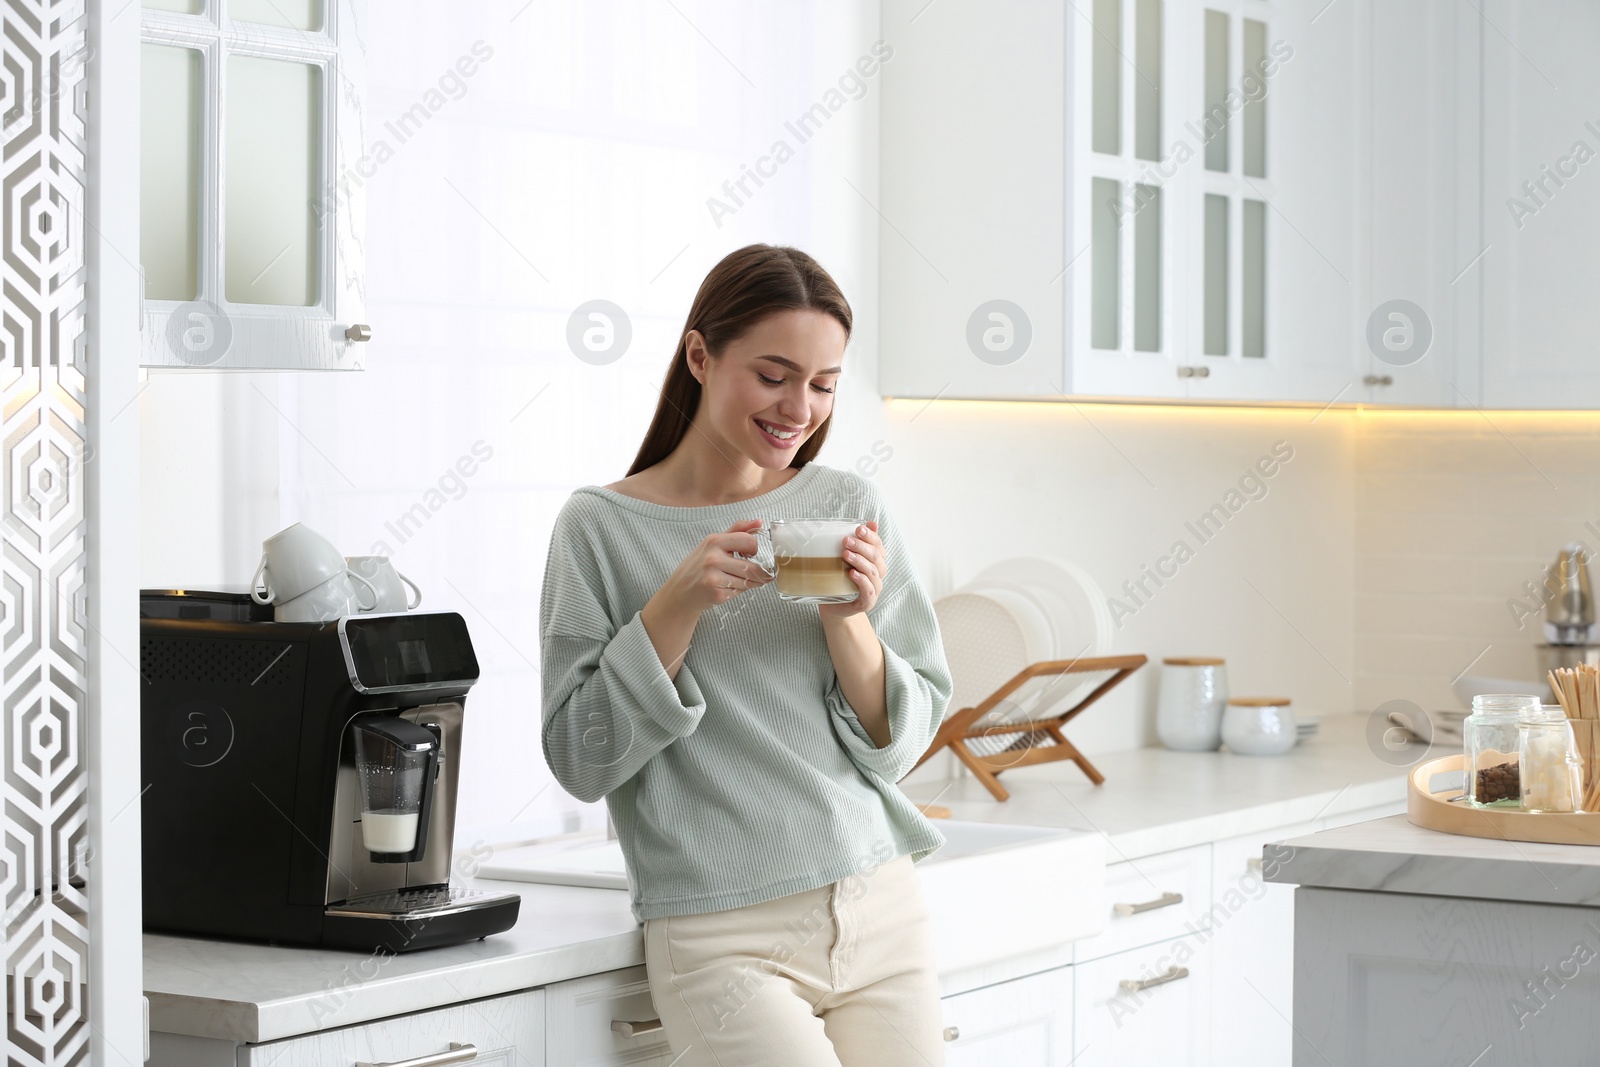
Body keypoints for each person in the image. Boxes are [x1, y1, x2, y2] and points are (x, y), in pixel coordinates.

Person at [539, 243, 953, 1066]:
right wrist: (675, 604)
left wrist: (849, 621)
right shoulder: (599, 527)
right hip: (717, 929)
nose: (800, 406)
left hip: (876, 897)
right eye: (774, 374)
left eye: (824, 383)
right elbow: (580, 757)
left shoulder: (846, 503)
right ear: (700, 355)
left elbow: (903, 743)